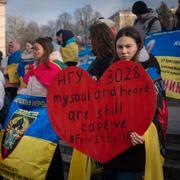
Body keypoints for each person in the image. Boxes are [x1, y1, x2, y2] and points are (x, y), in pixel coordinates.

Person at [102, 26, 168, 180]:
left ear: (138, 46)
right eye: (120, 47)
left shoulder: (149, 71)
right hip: (111, 148)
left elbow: (158, 110)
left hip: (135, 147)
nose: (124, 51)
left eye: (128, 46)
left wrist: (146, 133)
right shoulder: (110, 71)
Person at [17, 37, 65, 179]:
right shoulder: (34, 67)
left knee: (51, 151)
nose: (34, 51)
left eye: (37, 48)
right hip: (34, 117)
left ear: (46, 50)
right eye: (33, 48)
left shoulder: (52, 68)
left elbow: (55, 93)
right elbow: (31, 90)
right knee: (38, 152)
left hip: (47, 118)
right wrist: (21, 93)